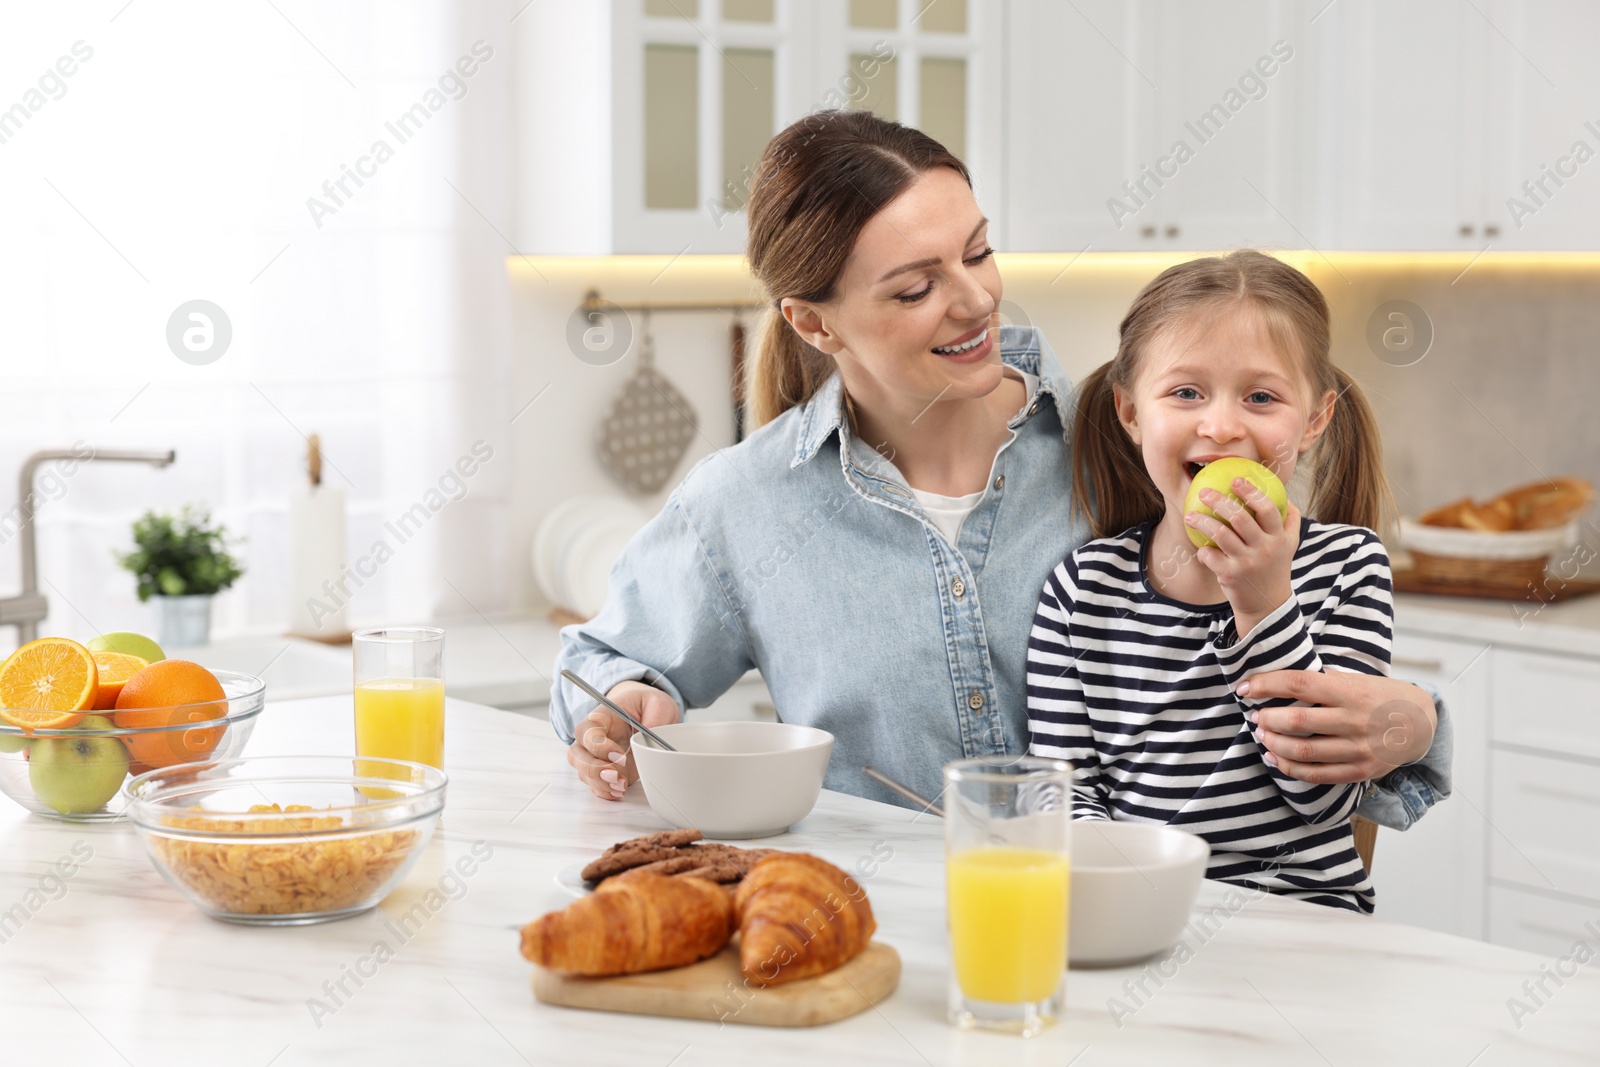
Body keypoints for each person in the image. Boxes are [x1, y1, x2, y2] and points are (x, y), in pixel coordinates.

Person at [550, 110, 1448, 831]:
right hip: (895, 950)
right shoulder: (746, 505)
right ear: (815, 324)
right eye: (915, 288)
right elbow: (601, 667)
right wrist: (621, 708)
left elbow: (1300, 685)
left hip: (1139, 930)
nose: (977, 297)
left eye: (977, 252)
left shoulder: (1134, 444)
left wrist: (1418, 723)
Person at [1026, 250, 1397, 912]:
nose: (1222, 425)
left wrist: (1263, 603)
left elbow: (1326, 796)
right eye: (1186, 392)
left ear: (1313, 420)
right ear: (1131, 412)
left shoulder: (1350, 566)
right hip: (1138, 910)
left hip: (1305, 923)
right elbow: (1063, 794)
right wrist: (1133, 898)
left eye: (1260, 396)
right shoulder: (1082, 589)